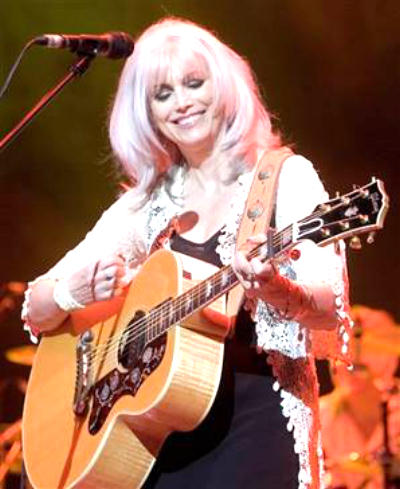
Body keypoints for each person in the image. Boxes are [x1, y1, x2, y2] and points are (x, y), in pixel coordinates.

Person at [21, 17, 352, 489]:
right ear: (147, 113)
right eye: (163, 94)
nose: (182, 102)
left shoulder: (285, 177)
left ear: (225, 90)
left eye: (194, 83)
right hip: (160, 444)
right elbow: (37, 306)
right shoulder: (150, 201)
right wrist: (72, 294)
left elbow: (330, 308)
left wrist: (275, 288)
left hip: (256, 426)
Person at [320, 306, 400, 489]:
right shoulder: (315, 418)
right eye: (341, 359)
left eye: (360, 365)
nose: (349, 369)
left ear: (388, 359)